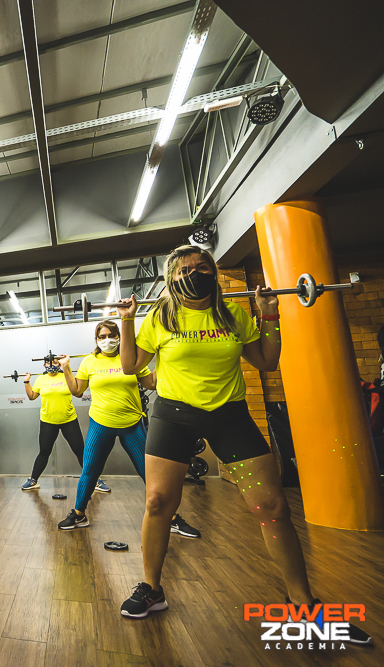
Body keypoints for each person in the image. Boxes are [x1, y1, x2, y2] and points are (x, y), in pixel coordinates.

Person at [113, 245, 371, 645]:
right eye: (186, 269)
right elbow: (130, 366)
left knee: (272, 507)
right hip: (173, 415)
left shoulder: (232, 314)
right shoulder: (160, 316)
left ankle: (302, 604)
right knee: (158, 503)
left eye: (203, 267)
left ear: (213, 272)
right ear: (171, 278)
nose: (196, 273)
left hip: (229, 415)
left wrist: (269, 313)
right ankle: (152, 588)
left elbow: (267, 360)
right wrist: (126, 321)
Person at [56, 321, 201, 539]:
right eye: (102, 336)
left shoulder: (131, 359)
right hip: (100, 423)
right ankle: (79, 514)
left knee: (149, 473)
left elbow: (152, 383)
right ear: (96, 340)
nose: (107, 340)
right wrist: (66, 367)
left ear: (119, 336)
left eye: (111, 335)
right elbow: (77, 391)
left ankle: (171, 518)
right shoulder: (89, 362)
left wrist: (164, 359)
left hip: (132, 424)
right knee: (90, 471)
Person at [19, 354, 108, 494]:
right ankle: (33, 480)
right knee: (44, 453)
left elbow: (78, 391)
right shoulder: (41, 379)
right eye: (48, 363)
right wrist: (26, 381)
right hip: (48, 422)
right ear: (44, 366)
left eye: (55, 362)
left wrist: (72, 370)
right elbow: (31, 396)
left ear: (60, 364)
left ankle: (95, 480)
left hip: (69, 421)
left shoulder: (67, 377)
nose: (51, 366)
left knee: (81, 452)